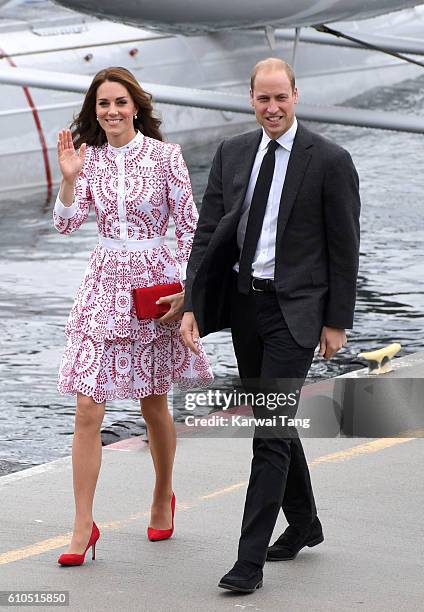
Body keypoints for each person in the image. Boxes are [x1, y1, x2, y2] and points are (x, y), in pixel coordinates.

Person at [181, 57, 360, 592]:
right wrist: (193, 302)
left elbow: (344, 247)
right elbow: (207, 232)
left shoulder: (329, 159)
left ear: (296, 96)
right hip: (244, 307)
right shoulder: (233, 153)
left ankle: (248, 561)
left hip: (296, 312)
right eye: (263, 98)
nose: (272, 107)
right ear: (251, 98)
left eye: (281, 97)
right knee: (272, 420)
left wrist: (337, 321)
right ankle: (304, 524)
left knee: (269, 433)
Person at [53, 66, 213, 566]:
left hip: (154, 286)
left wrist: (188, 293)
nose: (112, 112)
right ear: (94, 111)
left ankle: (163, 491)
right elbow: (65, 223)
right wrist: (70, 179)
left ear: (136, 106)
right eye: (103, 104)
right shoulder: (90, 159)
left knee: (153, 404)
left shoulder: (166, 156)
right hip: (102, 287)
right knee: (88, 409)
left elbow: (189, 227)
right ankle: (83, 524)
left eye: (120, 102)